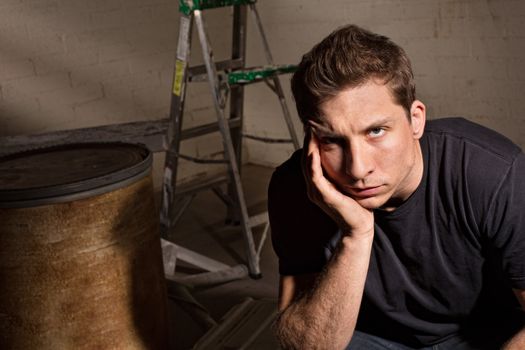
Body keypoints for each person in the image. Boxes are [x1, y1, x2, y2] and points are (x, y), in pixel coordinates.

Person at [268, 24, 525, 350]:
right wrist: (355, 235)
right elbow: (306, 345)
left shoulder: (490, 171)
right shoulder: (294, 187)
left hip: (482, 337)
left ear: (415, 119)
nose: (358, 168)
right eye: (332, 140)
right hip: (374, 338)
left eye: (376, 131)